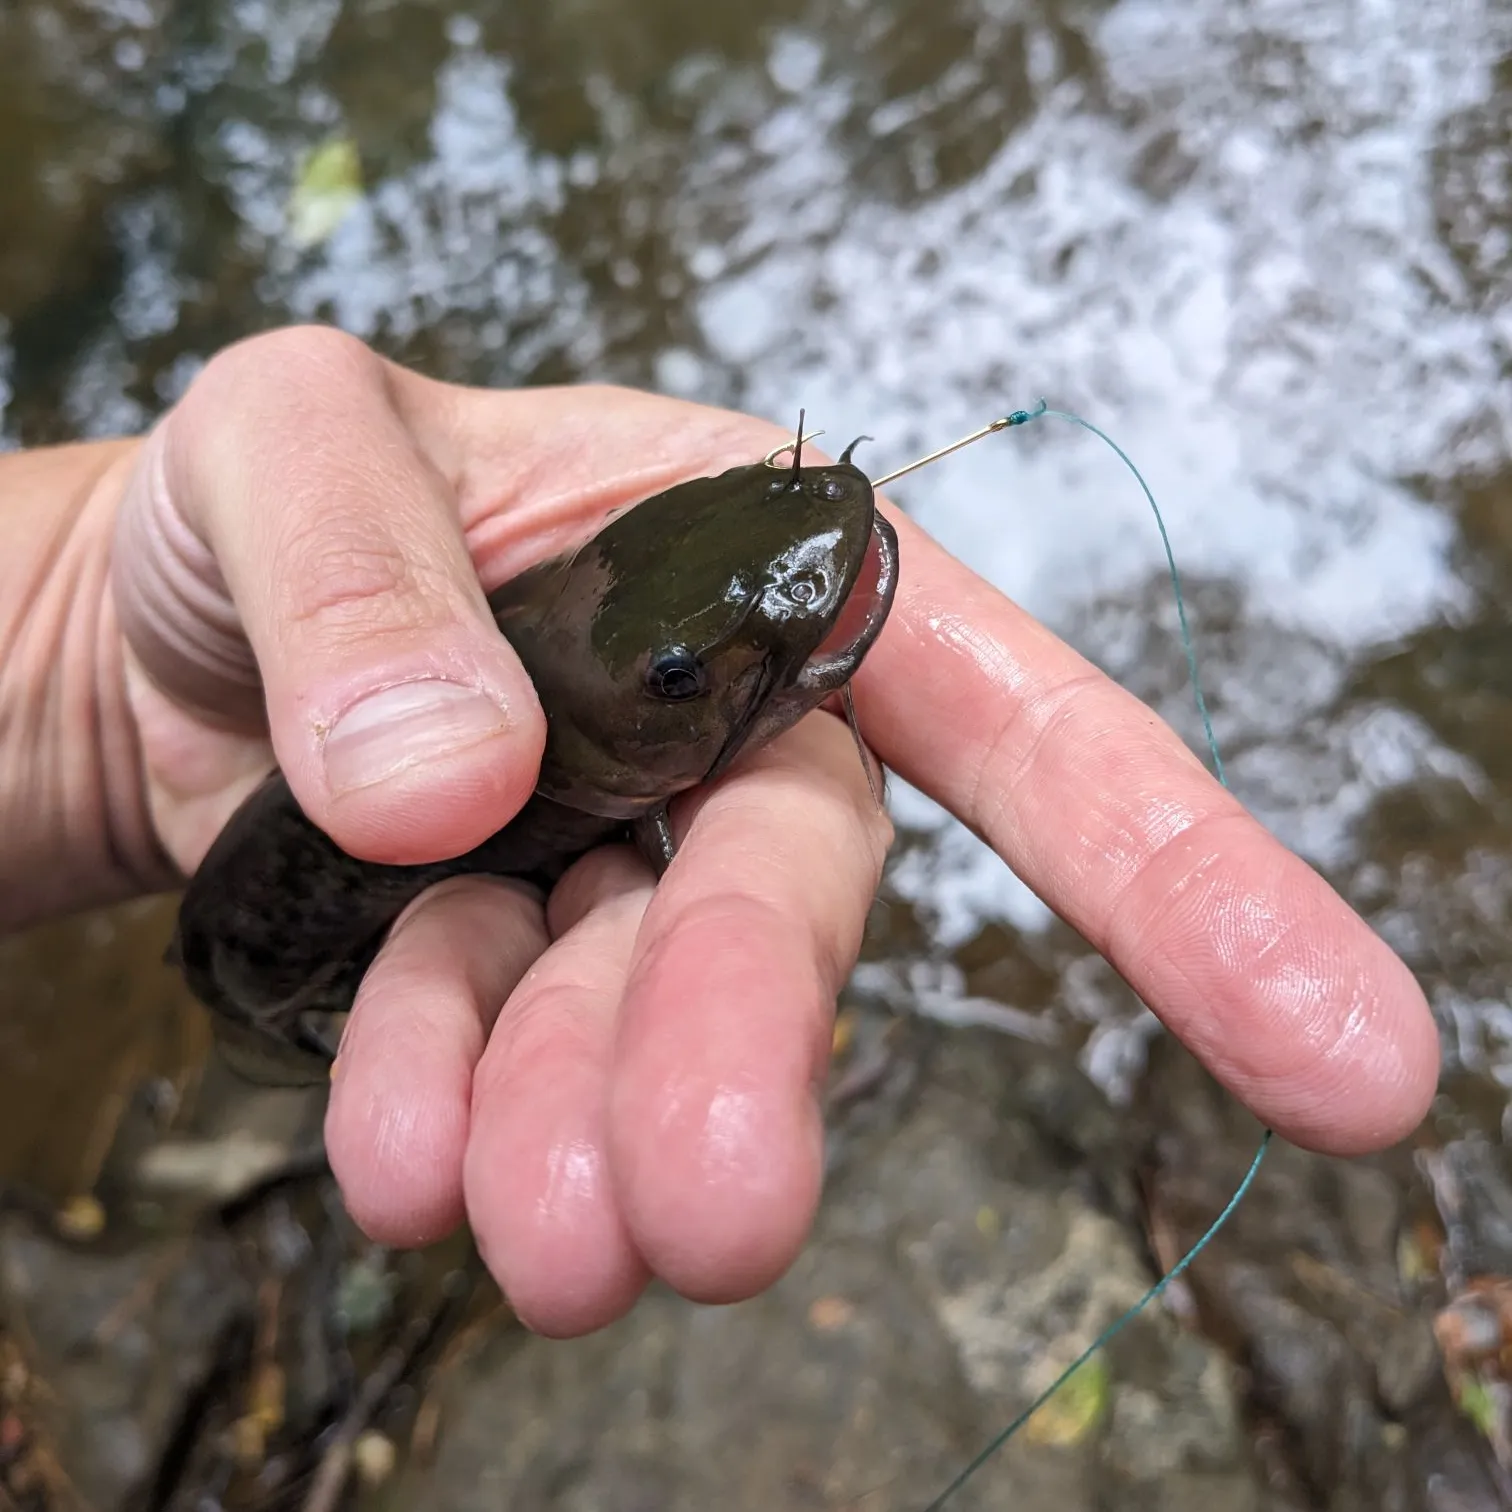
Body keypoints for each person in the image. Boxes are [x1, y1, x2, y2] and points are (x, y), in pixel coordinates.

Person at [0, 325, 1438, 1337]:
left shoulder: (566, 638)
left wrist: (88, 685)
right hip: (263, 944)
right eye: (684, 684)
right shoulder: (481, 716)